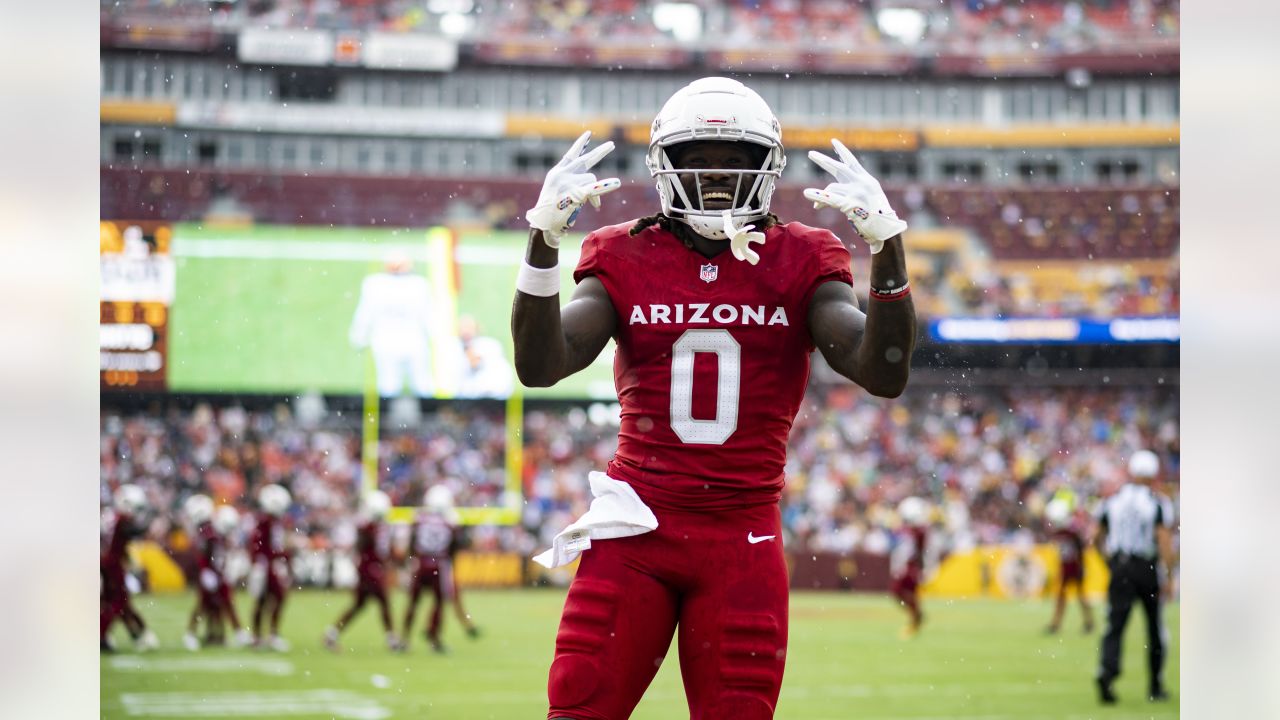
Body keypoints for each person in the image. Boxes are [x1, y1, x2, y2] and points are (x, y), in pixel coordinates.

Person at [512, 76, 916, 719]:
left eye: (736, 162)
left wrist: (887, 249)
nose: (717, 178)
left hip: (741, 538)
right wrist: (542, 245)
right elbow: (540, 365)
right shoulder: (624, 251)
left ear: (766, 169)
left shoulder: (803, 256)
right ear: (666, 167)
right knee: (579, 708)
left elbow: (883, 371)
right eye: (699, 160)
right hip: (634, 529)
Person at [1093, 449, 1177, 704]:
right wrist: (1170, 576)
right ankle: (1155, 685)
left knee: (1114, 626)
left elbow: (1097, 538)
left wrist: (1112, 563)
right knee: (1155, 628)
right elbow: (1163, 541)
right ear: (1152, 474)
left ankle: (1107, 673)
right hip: (1146, 568)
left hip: (1120, 566)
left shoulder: (1113, 499)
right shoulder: (1157, 502)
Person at [349, 251, 438, 398]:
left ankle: (426, 412)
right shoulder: (375, 284)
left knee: (421, 383)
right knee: (389, 384)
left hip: (411, 339)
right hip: (388, 340)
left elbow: (428, 314)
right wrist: (359, 335)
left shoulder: (418, 285)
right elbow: (365, 312)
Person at [402, 485, 479, 653]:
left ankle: (404, 638)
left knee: (414, 603)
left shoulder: (419, 519)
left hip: (421, 563)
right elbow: (454, 546)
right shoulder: (450, 522)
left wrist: (412, 559)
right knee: (438, 603)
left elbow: (412, 542)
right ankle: (434, 639)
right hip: (439, 564)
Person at [324, 491, 402, 652]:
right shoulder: (368, 528)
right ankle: (392, 639)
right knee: (383, 602)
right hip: (370, 569)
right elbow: (363, 548)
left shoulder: (379, 527)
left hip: (371, 568)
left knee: (360, 605)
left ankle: (332, 634)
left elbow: (382, 550)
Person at [100, 484, 159, 652]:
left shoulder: (111, 516)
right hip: (112, 564)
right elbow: (136, 532)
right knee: (118, 602)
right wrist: (149, 521)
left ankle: (138, 633)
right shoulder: (121, 520)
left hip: (106, 562)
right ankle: (101, 634)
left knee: (115, 602)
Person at [249, 483, 293, 651]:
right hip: (266, 566)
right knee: (266, 599)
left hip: (271, 565)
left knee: (274, 599)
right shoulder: (265, 521)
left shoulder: (274, 521)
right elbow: (259, 546)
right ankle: (261, 636)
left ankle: (265, 635)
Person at [1043, 497, 1094, 635]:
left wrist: (1082, 567)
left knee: (1080, 596)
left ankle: (1088, 622)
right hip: (1066, 566)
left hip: (1074, 566)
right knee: (1063, 596)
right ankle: (1056, 623)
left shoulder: (1072, 532)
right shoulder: (1062, 531)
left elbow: (1081, 550)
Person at [890, 496, 929, 639]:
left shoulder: (919, 531)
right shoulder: (914, 530)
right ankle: (916, 617)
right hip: (910, 566)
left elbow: (918, 550)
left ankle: (916, 617)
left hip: (911, 566)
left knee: (899, 591)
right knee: (904, 593)